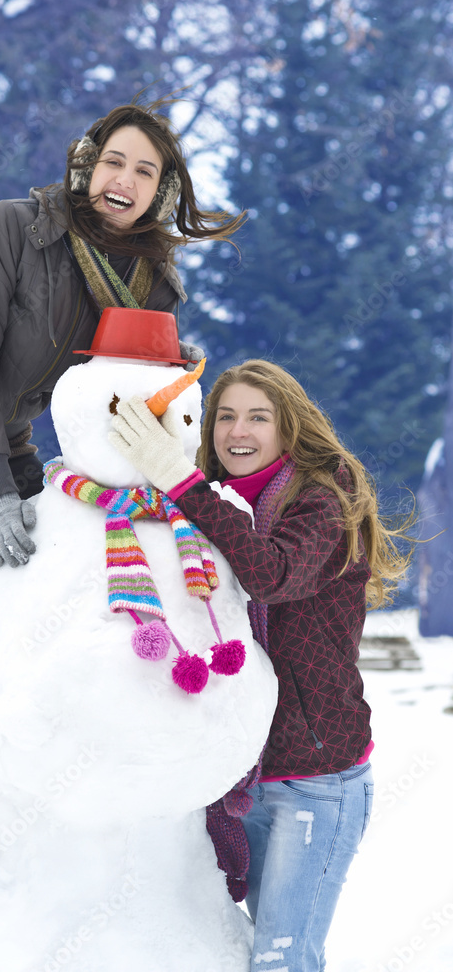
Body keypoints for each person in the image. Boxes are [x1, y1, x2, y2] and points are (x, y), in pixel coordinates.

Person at [0, 97, 247, 888]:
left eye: (145, 169)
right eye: (114, 161)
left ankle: (56, 784)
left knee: (81, 560)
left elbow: (137, 382)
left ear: (160, 188)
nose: (124, 179)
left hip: (8, 441)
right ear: (87, 162)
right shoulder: (15, 228)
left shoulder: (149, 273)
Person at [109, 358, 413, 972]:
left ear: (288, 427)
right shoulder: (210, 507)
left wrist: (179, 479)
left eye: (257, 416)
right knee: (228, 948)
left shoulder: (325, 501)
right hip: (234, 773)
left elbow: (271, 576)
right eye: (225, 416)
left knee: (282, 959)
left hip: (316, 778)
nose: (237, 430)